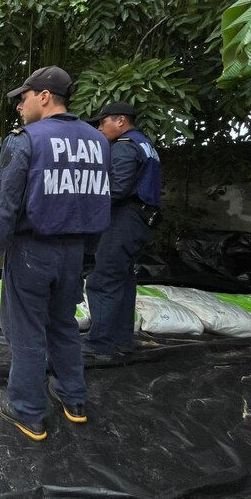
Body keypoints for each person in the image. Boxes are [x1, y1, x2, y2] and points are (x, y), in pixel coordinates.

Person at [0, 66, 111, 441]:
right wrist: (88, 257)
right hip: (74, 252)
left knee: (27, 332)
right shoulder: (98, 141)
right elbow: (100, 202)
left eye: (24, 97)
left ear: (45, 97)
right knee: (63, 324)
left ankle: (28, 412)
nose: (20, 105)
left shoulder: (25, 140)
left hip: (32, 252)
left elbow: (3, 206)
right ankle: (74, 399)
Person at [83, 102, 161, 360]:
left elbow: (116, 189)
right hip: (141, 219)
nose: (99, 127)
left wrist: (86, 210)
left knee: (102, 279)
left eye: (102, 121)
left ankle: (99, 344)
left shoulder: (125, 145)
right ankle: (121, 339)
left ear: (120, 121)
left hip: (124, 218)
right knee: (124, 280)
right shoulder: (144, 144)